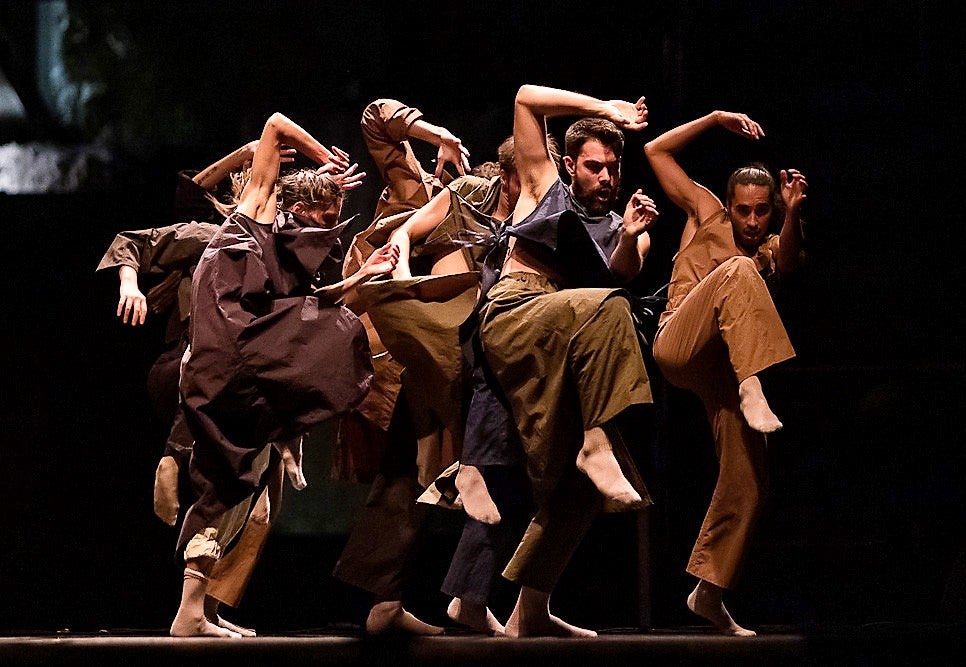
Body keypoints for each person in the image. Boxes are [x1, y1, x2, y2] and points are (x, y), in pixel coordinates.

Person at [170, 111, 398, 638]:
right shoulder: (254, 218)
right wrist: (325, 155)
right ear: (295, 208)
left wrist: (363, 275)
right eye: (324, 219)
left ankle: (192, 610)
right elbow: (274, 125)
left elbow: (302, 307)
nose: (327, 236)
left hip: (232, 373)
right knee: (340, 329)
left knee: (230, 481)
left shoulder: (290, 267)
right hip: (231, 354)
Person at [471, 84, 660, 638]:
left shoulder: (631, 228)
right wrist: (607, 109)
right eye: (595, 167)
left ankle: (530, 607)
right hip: (514, 317)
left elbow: (622, 275)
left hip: (565, 347)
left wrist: (628, 238)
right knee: (607, 309)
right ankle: (596, 442)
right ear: (569, 165)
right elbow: (526, 98)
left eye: (613, 169)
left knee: (577, 491)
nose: (606, 178)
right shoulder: (542, 186)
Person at [643, 110, 808, 636]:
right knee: (735, 270)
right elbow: (655, 153)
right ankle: (753, 382)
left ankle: (708, 591)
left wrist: (794, 214)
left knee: (752, 477)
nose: (752, 221)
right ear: (730, 203)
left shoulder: (772, 245)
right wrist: (714, 120)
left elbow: (793, 262)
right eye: (745, 211)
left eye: (763, 212)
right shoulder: (705, 211)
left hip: (722, 364)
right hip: (678, 341)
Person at [331, 98, 472, 636]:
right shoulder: (413, 192)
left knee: (418, 475)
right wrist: (436, 134)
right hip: (386, 352)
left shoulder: (479, 232)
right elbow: (374, 115)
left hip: (430, 364)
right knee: (414, 469)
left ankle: (391, 602)